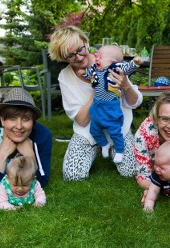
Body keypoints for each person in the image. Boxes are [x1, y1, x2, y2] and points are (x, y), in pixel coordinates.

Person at [48, 26, 142, 180]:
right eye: (71, 56)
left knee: (131, 171)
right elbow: (82, 120)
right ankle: (98, 146)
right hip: (89, 129)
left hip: (118, 126)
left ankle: (114, 147)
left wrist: (125, 86)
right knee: (73, 175)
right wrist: (98, 89)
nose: (78, 57)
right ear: (63, 58)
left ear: (86, 42)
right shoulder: (65, 77)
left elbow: (135, 102)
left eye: (80, 49)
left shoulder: (109, 61)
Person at [0, 87, 52, 198]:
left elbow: (41, 183)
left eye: (26, 119)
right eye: (12, 118)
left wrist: (30, 156)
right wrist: (2, 155)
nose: (19, 126)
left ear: (33, 122)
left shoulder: (42, 136)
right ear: (2, 120)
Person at [84, 44, 145, 164]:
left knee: (115, 132)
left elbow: (127, 67)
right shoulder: (96, 69)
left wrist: (135, 63)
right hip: (97, 107)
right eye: (97, 56)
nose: (97, 59)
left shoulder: (115, 68)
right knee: (94, 130)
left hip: (110, 109)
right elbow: (89, 74)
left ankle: (120, 151)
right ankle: (104, 145)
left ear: (112, 61)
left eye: (100, 56)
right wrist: (84, 73)